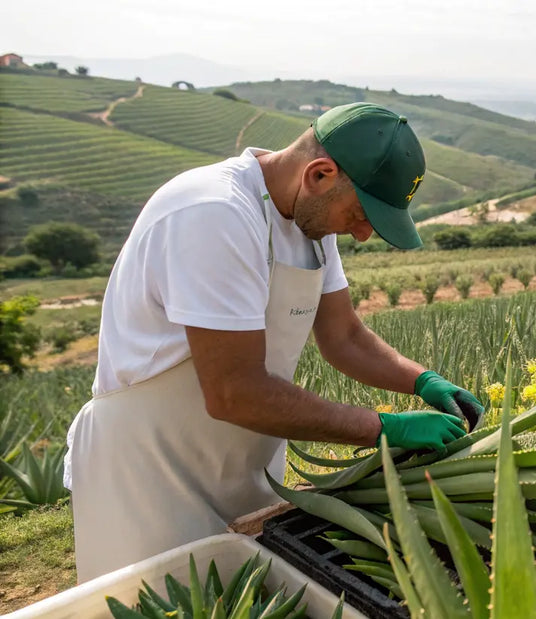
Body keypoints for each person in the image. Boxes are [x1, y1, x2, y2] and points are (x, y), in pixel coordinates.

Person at [63, 103, 485, 582]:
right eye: (362, 214)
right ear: (320, 174)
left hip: (243, 461)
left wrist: (423, 381)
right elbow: (233, 391)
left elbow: (344, 336)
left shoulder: (310, 221)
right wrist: (383, 428)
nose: (364, 234)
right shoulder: (214, 214)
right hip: (150, 469)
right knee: (160, 600)